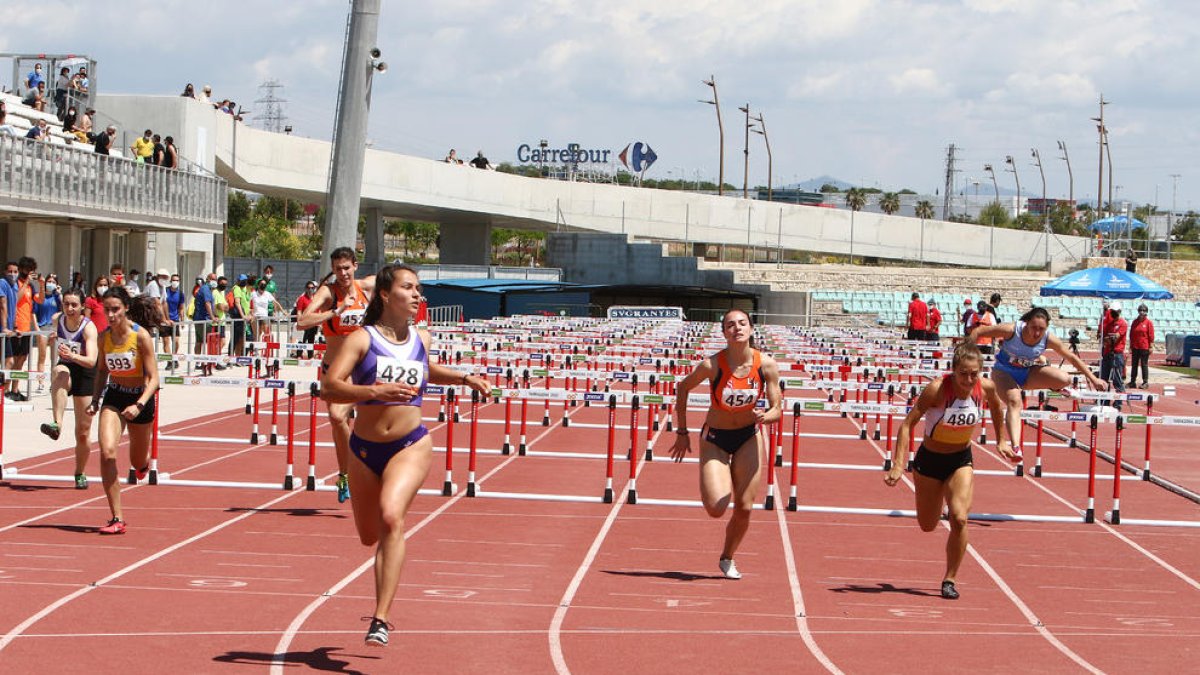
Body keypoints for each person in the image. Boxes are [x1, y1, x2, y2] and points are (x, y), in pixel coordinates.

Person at [321, 264, 491, 646]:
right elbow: (329, 388)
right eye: (409, 288)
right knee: (368, 536)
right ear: (385, 294)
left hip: (409, 445)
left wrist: (465, 378)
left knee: (391, 518)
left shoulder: (422, 337)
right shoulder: (361, 339)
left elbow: (424, 368)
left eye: (419, 289)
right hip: (363, 451)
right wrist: (372, 393)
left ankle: (380, 618)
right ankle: (380, 607)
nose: (417, 295)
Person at [885, 342, 1015, 600]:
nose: (969, 380)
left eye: (974, 374)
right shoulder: (936, 390)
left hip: (960, 460)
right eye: (963, 373)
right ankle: (939, 497)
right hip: (929, 462)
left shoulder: (986, 388)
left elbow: (998, 409)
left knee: (959, 518)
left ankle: (950, 579)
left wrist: (1002, 440)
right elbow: (906, 425)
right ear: (953, 371)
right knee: (927, 525)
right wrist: (898, 464)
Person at [669, 309, 783, 580]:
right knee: (716, 508)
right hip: (716, 439)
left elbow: (778, 408)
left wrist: (767, 416)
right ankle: (717, 476)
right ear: (724, 333)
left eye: (742, 323)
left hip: (748, 436)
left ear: (752, 329)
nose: (737, 328)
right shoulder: (713, 365)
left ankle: (727, 557)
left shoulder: (766, 364)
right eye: (730, 325)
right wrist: (682, 431)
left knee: (744, 508)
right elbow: (683, 388)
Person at [297, 247, 377, 504]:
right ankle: (345, 473)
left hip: (361, 367)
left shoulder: (367, 287)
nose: (342, 273)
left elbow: (399, 283)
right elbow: (302, 321)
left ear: (355, 266)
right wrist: (335, 311)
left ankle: (363, 468)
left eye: (346, 268)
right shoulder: (328, 292)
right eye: (337, 269)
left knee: (342, 416)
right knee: (336, 419)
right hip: (334, 368)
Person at [969, 307, 1109, 453]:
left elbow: (1071, 357)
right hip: (1003, 371)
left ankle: (1057, 387)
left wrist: (1093, 379)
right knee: (1015, 401)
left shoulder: (1048, 338)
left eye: (1041, 329)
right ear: (1026, 323)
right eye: (1033, 327)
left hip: (1027, 373)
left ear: (1047, 327)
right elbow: (979, 331)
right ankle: (1016, 447)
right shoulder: (1011, 330)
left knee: (1065, 378)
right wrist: (967, 353)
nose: (1036, 333)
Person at [87, 287, 161, 534]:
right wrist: (95, 400)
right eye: (106, 309)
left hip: (141, 398)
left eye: (115, 309)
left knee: (137, 462)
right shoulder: (103, 337)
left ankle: (143, 464)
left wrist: (139, 404)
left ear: (126, 308)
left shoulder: (140, 337)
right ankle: (116, 517)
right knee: (107, 453)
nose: (110, 315)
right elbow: (101, 372)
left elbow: (154, 379)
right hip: (115, 396)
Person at [41, 289, 99, 489]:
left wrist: (73, 355)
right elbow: (56, 337)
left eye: (74, 304)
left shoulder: (88, 328)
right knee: (58, 371)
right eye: (66, 304)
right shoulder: (58, 320)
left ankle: (80, 472)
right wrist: (53, 340)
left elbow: (91, 360)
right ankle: (56, 423)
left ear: (82, 306)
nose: (70, 308)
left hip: (85, 371)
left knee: (83, 431)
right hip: (67, 366)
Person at [34, 273, 62, 388]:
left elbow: (64, 309)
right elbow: (34, 313)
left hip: (54, 329)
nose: (51, 284)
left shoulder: (57, 297)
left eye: (53, 282)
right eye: (49, 281)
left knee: (54, 358)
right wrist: (37, 329)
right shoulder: (40, 296)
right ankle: (40, 382)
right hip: (42, 328)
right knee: (42, 356)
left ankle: (53, 382)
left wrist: (60, 294)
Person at [1100, 301, 1128, 393]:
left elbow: (1115, 337)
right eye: (1111, 311)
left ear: (1119, 311)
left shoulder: (1123, 323)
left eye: (1114, 311)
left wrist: (1109, 339)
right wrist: (1107, 339)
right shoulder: (1109, 324)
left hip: (1117, 354)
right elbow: (1105, 338)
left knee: (1117, 379)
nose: (1112, 313)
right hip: (1107, 352)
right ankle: (1104, 400)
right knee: (1104, 378)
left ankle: (1118, 403)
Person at [1129, 304, 1155, 389]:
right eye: (1140, 310)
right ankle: (1132, 381)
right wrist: (1130, 346)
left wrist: (1151, 346)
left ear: (1146, 312)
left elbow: (1151, 335)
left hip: (1144, 347)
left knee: (1144, 364)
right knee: (1134, 364)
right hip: (1135, 346)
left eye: (1144, 311)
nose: (1142, 312)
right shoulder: (1135, 322)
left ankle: (1145, 382)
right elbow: (1131, 334)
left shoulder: (1148, 323)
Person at [250, 278, 284, 342]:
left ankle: (266, 349)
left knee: (267, 333)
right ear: (258, 285)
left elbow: (275, 302)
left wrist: (283, 311)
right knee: (256, 334)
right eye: (262, 284)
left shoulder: (267, 294)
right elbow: (246, 303)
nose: (263, 285)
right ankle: (255, 349)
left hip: (265, 316)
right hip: (256, 316)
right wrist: (250, 312)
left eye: (265, 284)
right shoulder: (253, 294)